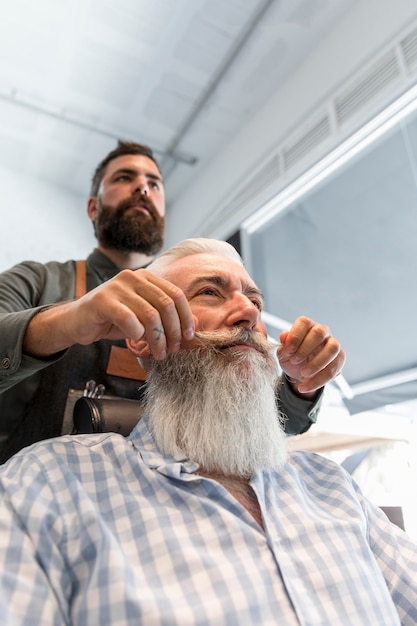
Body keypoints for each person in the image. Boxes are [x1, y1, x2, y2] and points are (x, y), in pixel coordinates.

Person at [0, 237, 414, 626]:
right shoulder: (49, 483)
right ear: (142, 339)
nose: (250, 312)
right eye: (210, 292)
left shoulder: (332, 486)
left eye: (254, 300)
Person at [0, 141, 344, 463]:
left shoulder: (202, 307)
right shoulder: (39, 281)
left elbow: (265, 422)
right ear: (93, 206)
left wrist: (301, 385)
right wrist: (73, 318)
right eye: (124, 177)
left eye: (155, 183)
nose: (142, 187)